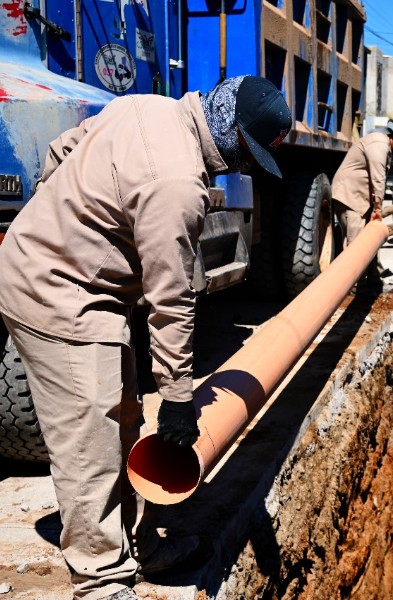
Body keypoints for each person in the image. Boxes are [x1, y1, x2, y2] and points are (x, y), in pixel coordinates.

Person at [0, 75, 291, 600]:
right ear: (228, 130)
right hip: (55, 291)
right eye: (245, 154)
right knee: (90, 436)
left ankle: (139, 543)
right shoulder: (176, 184)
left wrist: (57, 213)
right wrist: (179, 398)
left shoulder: (146, 106)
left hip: (81, 284)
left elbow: (61, 147)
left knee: (123, 415)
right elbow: (171, 301)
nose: (242, 167)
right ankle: (101, 577)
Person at [331, 121, 393, 286]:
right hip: (350, 196)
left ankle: (373, 280)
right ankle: (351, 287)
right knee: (355, 244)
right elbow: (378, 178)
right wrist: (378, 208)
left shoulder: (384, 145)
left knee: (369, 240)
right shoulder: (379, 144)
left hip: (360, 198)